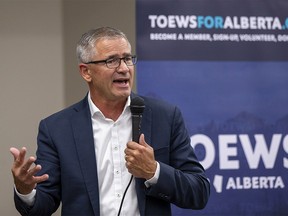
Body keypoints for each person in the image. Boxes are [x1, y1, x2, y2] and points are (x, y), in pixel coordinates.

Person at [10, 27, 210, 216]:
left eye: (128, 59)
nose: (123, 68)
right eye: (111, 61)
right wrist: (25, 191)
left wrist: (154, 171)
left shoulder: (164, 117)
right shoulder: (56, 129)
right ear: (86, 72)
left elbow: (199, 191)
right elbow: (42, 206)